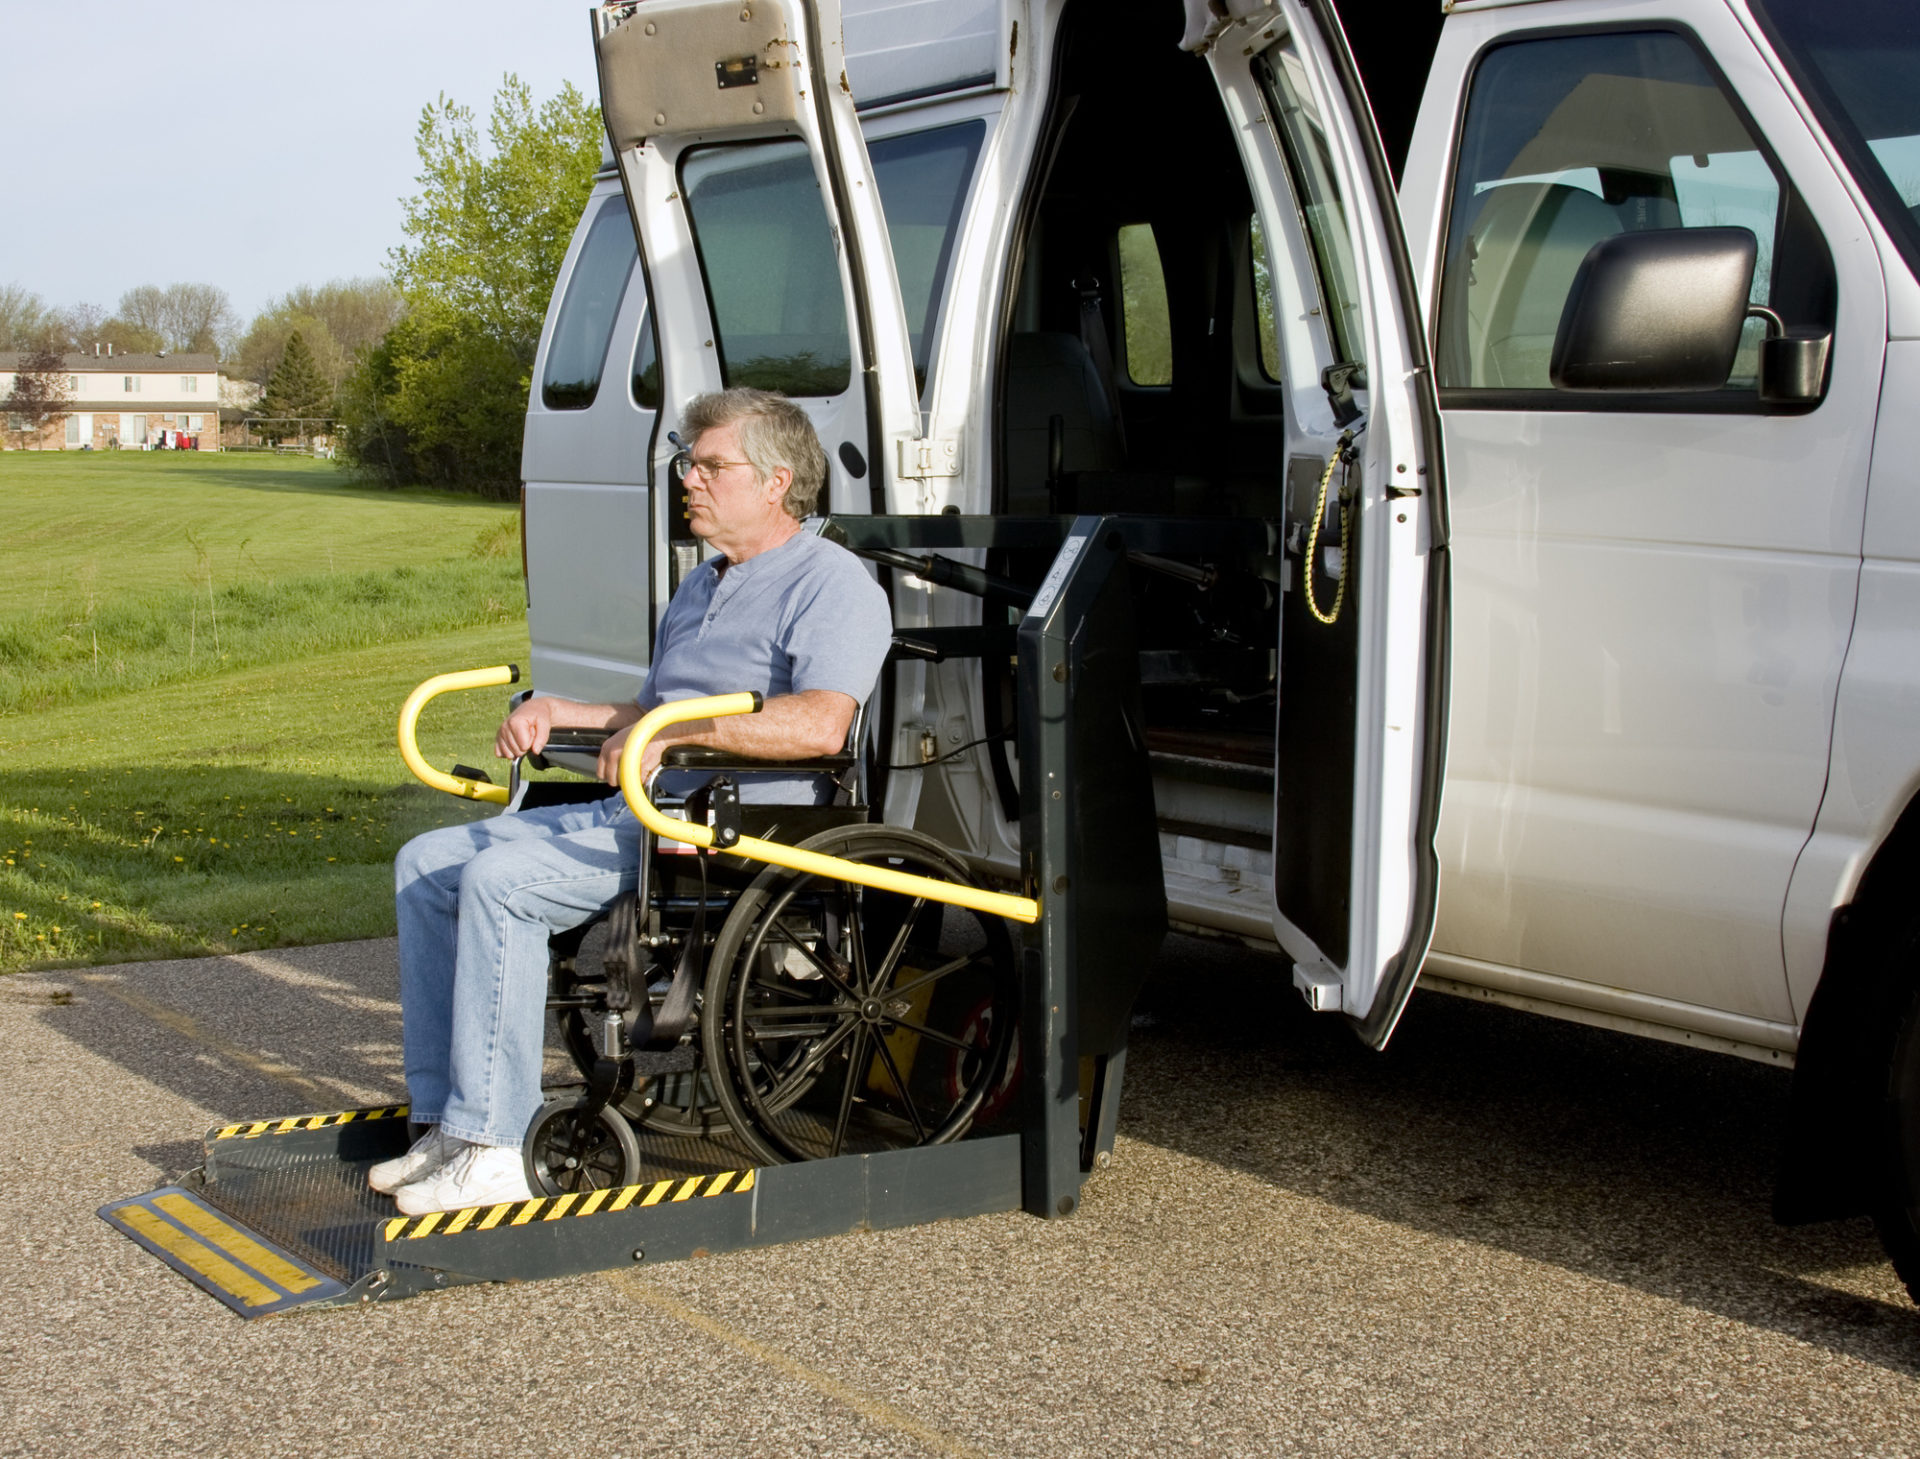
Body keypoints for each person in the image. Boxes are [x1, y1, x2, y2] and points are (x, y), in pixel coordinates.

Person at [377, 388, 893, 1216]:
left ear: (775, 480)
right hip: (644, 807)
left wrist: (669, 738)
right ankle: (448, 1120)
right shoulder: (704, 584)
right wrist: (562, 710)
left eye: (709, 464)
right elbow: (651, 704)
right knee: (425, 862)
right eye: (689, 462)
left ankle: (497, 1145)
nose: (688, 477)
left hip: (729, 820)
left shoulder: (833, 584)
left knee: (499, 883)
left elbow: (822, 721)